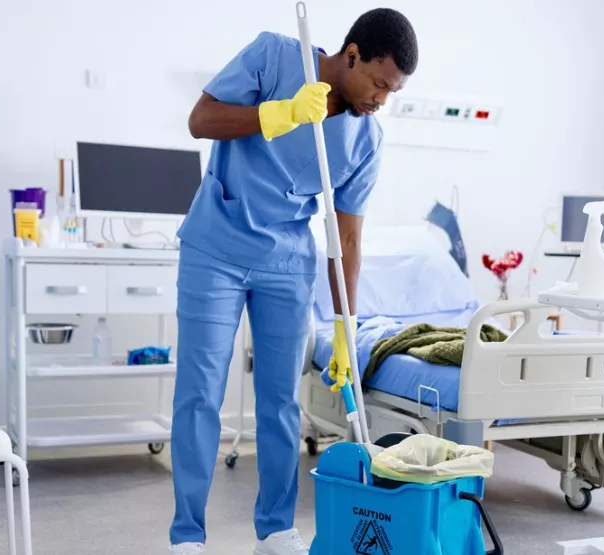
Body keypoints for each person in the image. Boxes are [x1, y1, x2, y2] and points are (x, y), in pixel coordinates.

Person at [169, 8, 418, 555]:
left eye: (392, 91)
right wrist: (275, 114)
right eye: (377, 83)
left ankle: (276, 528)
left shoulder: (366, 139)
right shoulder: (276, 56)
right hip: (216, 246)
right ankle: (187, 536)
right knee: (199, 395)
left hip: (286, 262)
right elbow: (200, 120)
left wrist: (346, 326)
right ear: (351, 54)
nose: (380, 99)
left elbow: (347, 240)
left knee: (280, 402)